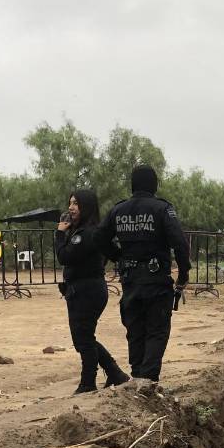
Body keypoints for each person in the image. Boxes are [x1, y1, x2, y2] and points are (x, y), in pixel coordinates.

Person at [98, 165, 191, 381]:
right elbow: (179, 242)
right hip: (156, 280)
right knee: (157, 330)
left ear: (132, 185)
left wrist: (118, 256)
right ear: (155, 185)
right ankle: (147, 380)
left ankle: (138, 376)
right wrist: (184, 274)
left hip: (130, 280)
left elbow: (99, 238)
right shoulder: (162, 209)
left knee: (135, 330)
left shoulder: (118, 210)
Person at [55, 189, 130, 393]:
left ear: (86, 207)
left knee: (83, 339)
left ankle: (88, 382)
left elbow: (64, 256)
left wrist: (60, 233)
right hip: (83, 289)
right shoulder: (84, 230)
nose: (71, 208)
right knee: (84, 337)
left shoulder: (86, 233)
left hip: (87, 291)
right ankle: (115, 374)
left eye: (76, 204)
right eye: (70, 203)